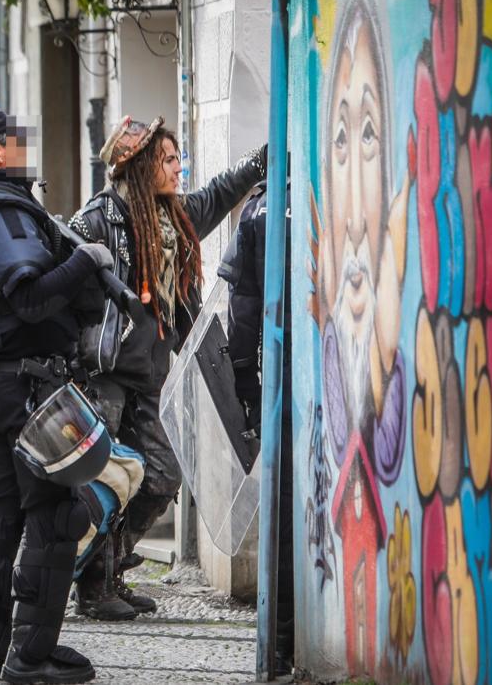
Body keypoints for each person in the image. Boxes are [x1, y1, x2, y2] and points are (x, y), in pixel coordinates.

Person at [0, 107, 115, 684]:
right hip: (30, 386)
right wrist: (87, 259)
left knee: (2, 514)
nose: (25, 148)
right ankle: (30, 656)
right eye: (16, 141)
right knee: (56, 516)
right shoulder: (3, 210)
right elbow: (30, 298)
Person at [68, 116, 266, 621]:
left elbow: (222, 192)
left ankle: (109, 568)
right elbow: (67, 292)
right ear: (136, 167)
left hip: (153, 372)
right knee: (104, 479)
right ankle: (91, 583)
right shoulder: (97, 220)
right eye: (168, 160)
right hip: (106, 372)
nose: (178, 168)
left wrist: (262, 160)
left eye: (178, 158)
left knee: (161, 475)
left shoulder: (176, 217)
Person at [219, 180, 295, 675]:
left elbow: (243, 306)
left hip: (282, 378)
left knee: (284, 503)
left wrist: (245, 384)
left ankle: (283, 638)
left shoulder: (259, 208)